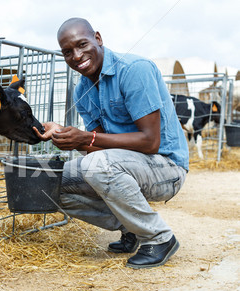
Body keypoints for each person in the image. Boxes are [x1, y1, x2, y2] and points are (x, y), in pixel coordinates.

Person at [33, 18, 189, 269]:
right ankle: (132, 227)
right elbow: (101, 148)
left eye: (82, 44)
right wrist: (64, 135)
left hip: (166, 168)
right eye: (67, 52)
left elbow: (150, 142)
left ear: (98, 38)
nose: (77, 55)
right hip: (123, 163)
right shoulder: (82, 90)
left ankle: (159, 238)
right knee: (46, 178)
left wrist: (85, 138)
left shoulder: (134, 70)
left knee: (97, 164)